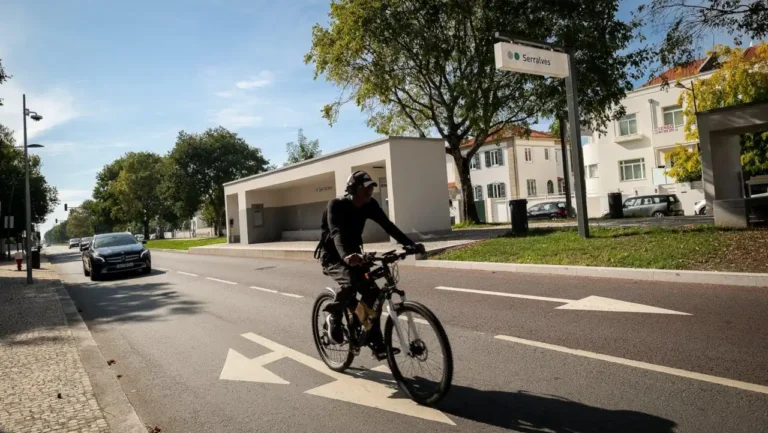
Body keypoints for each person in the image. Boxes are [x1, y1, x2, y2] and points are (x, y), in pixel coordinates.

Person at [314, 170, 424, 360]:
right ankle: (334, 315)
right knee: (349, 283)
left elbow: (388, 225)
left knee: (372, 294)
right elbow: (336, 233)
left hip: (356, 254)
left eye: (371, 188)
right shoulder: (337, 205)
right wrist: (346, 256)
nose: (369, 192)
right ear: (353, 189)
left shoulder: (369, 205)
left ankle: (375, 341)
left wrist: (409, 244)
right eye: (365, 188)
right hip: (333, 255)